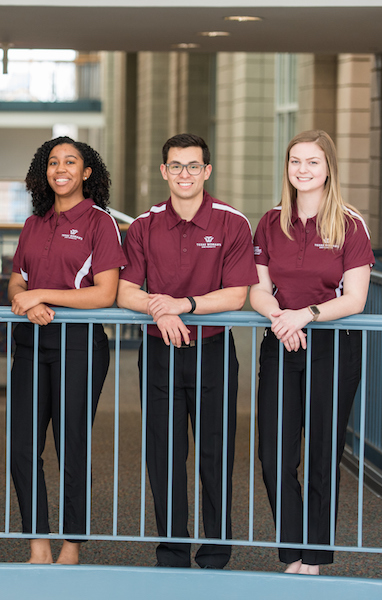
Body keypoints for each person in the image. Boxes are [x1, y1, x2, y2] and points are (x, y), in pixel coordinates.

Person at [117, 133, 257, 569]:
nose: (184, 174)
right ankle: (173, 549)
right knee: (164, 453)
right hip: (160, 353)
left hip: (212, 351)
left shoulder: (232, 223)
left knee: (215, 452)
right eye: (176, 166)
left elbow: (236, 296)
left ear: (207, 171)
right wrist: (162, 313)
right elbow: (124, 292)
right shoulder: (143, 225)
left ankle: (215, 550)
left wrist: (182, 306)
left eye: (193, 166)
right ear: (164, 172)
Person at [250, 130, 372, 575]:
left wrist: (305, 315)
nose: (303, 170)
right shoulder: (270, 222)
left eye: (312, 162)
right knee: (274, 456)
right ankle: (293, 551)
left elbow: (355, 299)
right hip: (282, 341)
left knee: (323, 453)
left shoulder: (349, 223)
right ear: (287, 168)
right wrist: (281, 318)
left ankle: (314, 558)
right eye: (295, 161)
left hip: (332, 347)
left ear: (328, 169)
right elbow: (258, 290)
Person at [8, 137, 126, 564]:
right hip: (31, 343)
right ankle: (38, 543)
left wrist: (41, 294)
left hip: (79, 346)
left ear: (86, 171)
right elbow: (15, 283)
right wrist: (29, 298)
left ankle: (71, 545)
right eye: (53, 162)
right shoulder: (34, 223)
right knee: (22, 447)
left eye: (70, 162)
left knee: (71, 445)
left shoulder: (100, 223)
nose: (61, 169)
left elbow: (105, 293)